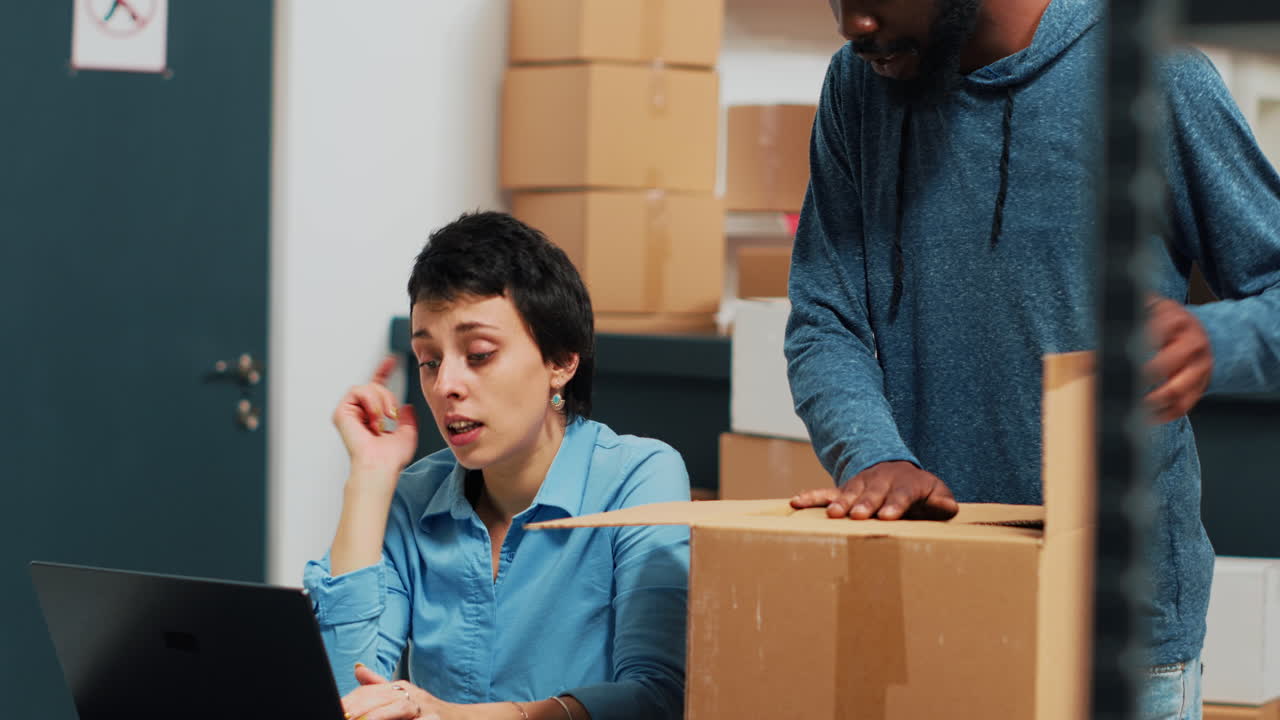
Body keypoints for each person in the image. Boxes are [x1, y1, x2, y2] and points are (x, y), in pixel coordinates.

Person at [784, 0, 1280, 717]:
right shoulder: (857, 89)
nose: (851, 23)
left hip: (1117, 636)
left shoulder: (1153, 78)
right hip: (930, 602)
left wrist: (1214, 342)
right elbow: (824, 316)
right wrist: (870, 453)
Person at [304, 211, 690, 720]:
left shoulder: (639, 477)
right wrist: (371, 477)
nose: (446, 386)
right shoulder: (414, 496)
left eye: (479, 353)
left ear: (561, 362)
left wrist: (460, 717)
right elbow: (344, 696)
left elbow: (655, 698)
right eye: (429, 360)